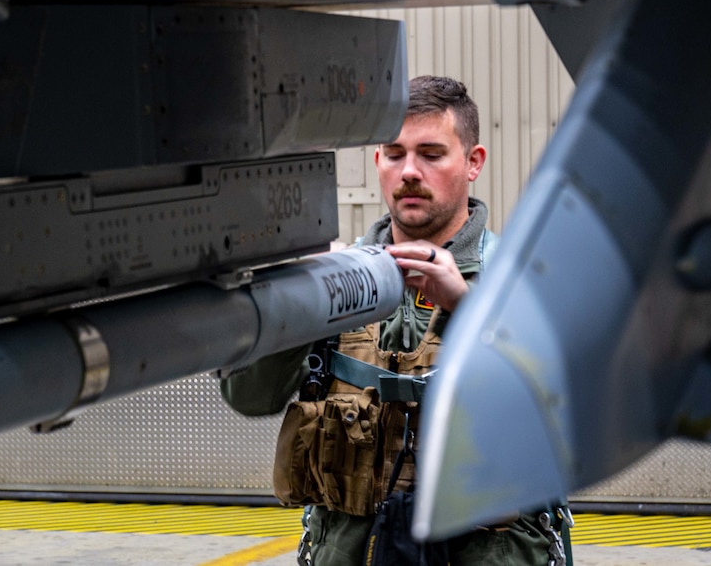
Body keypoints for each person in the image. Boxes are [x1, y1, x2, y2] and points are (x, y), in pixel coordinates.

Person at [221, 75, 569, 565]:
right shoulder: (334, 282)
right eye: (395, 152)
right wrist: (293, 303)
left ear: (473, 163)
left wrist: (465, 308)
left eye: (431, 154)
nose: (410, 171)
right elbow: (249, 397)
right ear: (377, 161)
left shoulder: (526, 278)